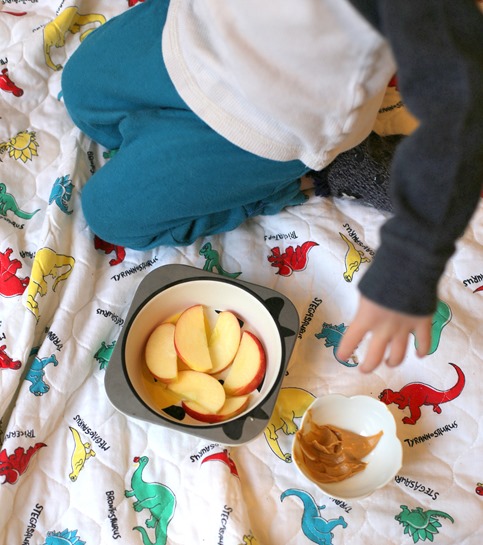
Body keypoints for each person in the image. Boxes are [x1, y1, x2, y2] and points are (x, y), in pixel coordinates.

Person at [61, 0, 483, 372]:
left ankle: (321, 172)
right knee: (80, 91)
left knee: (110, 215)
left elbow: (463, 111)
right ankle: (158, 136)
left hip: (267, 119)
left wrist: (411, 262)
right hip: (190, 29)